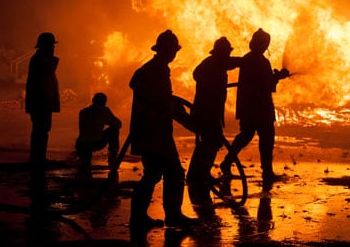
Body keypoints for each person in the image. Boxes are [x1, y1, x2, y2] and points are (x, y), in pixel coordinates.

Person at [129, 30, 197, 230]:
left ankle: (141, 216)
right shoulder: (154, 70)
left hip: (154, 132)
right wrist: (186, 118)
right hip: (154, 133)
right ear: (165, 50)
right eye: (172, 50)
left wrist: (172, 106)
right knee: (173, 172)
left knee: (154, 173)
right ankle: (171, 216)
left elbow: (163, 99)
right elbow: (159, 99)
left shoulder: (157, 69)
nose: (174, 54)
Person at [220, 28, 291, 187]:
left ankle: (227, 161)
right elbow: (267, 85)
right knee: (266, 138)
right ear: (264, 45)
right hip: (261, 107)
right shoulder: (261, 61)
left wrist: (275, 77)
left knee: (246, 134)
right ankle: (267, 172)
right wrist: (278, 76)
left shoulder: (247, 58)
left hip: (247, 106)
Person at [186, 37, 241, 208]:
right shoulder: (212, 65)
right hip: (206, 111)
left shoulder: (215, 64)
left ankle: (200, 173)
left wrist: (246, 61)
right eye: (227, 52)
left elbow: (233, 62)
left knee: (209, 142)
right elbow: (201, 75)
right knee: (212, 141)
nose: (229, 55)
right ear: (222, 53)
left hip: (210, 110)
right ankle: (197, 175)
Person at [25, 32, 60, 194]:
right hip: (40, 103)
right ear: (46, 45)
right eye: (51, 45)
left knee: (42, 130)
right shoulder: (40, 59)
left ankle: (39, 158)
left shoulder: (40, 58)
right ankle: (37, 159)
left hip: (41, 103)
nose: (53, 47)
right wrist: (53, 58)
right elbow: (47, 74)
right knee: (40, 130)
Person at [75, 92, 121, 180]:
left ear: (93, 100)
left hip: (81, 144)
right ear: (105, 102)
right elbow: (118, 124)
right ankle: (112, 155)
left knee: (84, 168)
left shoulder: (83, 112)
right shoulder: (104, 111)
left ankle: (83, 158)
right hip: (95, 143)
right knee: (114, 130)